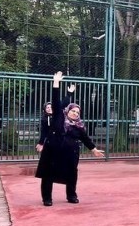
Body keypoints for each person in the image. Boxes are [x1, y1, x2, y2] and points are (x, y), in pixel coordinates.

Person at [35, 72, 104, 206]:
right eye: (73, 111)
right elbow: (56, 102)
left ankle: (71, 195)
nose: (75, 113)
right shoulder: (59, 118)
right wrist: (56, 83)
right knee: (48, 175)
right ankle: (47, 198)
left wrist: (93, 149)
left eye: (78, 112)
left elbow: (85, 138)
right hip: (52, 152)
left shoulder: (79, 125)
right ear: (68, 111)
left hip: (69, 155)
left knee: (72, 174)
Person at [36, 84, 75, 153]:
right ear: (44, 109)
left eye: (50, 107)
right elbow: (43, 131)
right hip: (51, 140)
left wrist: (69, 93)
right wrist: (41, 143)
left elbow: (64, 103)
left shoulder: (58, 113)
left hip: (62, 138)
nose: (49, 109)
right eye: (47, 108)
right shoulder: (44, 119)